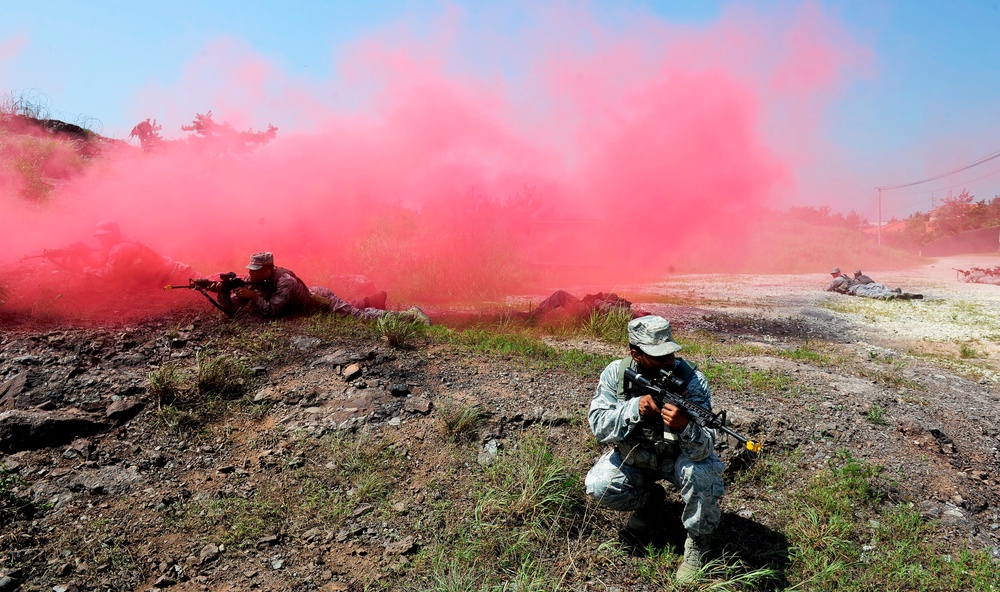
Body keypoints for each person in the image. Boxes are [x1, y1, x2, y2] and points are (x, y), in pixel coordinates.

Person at [585, 315, 724, 583]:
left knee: (704, 472)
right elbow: (599, 427)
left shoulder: (692, 380)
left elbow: (705, 446)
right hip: (635, 457)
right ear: (635, 354)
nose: (669, 361)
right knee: (599, 486)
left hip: (677, 460)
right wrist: (632, 409)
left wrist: (685, 427)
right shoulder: (616, 374)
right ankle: (650, 503)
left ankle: (698, 542)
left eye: (671, 353)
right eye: (659, 356)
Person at [206, 252, 428, 323]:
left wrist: (254, 298)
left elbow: (272, 311)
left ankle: (409, 315)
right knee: (351, 306)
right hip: (307, 296)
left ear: (268, 269)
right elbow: (232, 311)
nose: (250, 273)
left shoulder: (285, 282)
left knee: (356, 316)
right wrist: (223, 290)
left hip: (319, 300)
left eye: (255, 270)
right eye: (250, 270)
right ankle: (373, 299)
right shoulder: (258, 278)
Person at [83, 220, 192, 288]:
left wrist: (89, 270)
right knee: (206, 284)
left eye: (104, 236)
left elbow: (110, 275)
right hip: (171, 270)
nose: (101, 239)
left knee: (206, 285)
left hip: (173, 274)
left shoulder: (119, 249)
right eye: (100, 236)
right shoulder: (124, 241)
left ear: (112, 235)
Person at [530, 290, 648, 319]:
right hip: (588, 309)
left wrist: (596, 301)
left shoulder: (627, 312)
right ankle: (537, 316)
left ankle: (533, 316)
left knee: (560, 295)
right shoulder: (626, 308)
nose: (643, 311)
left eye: (645, 314)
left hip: (588, 311)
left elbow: (609, 309)